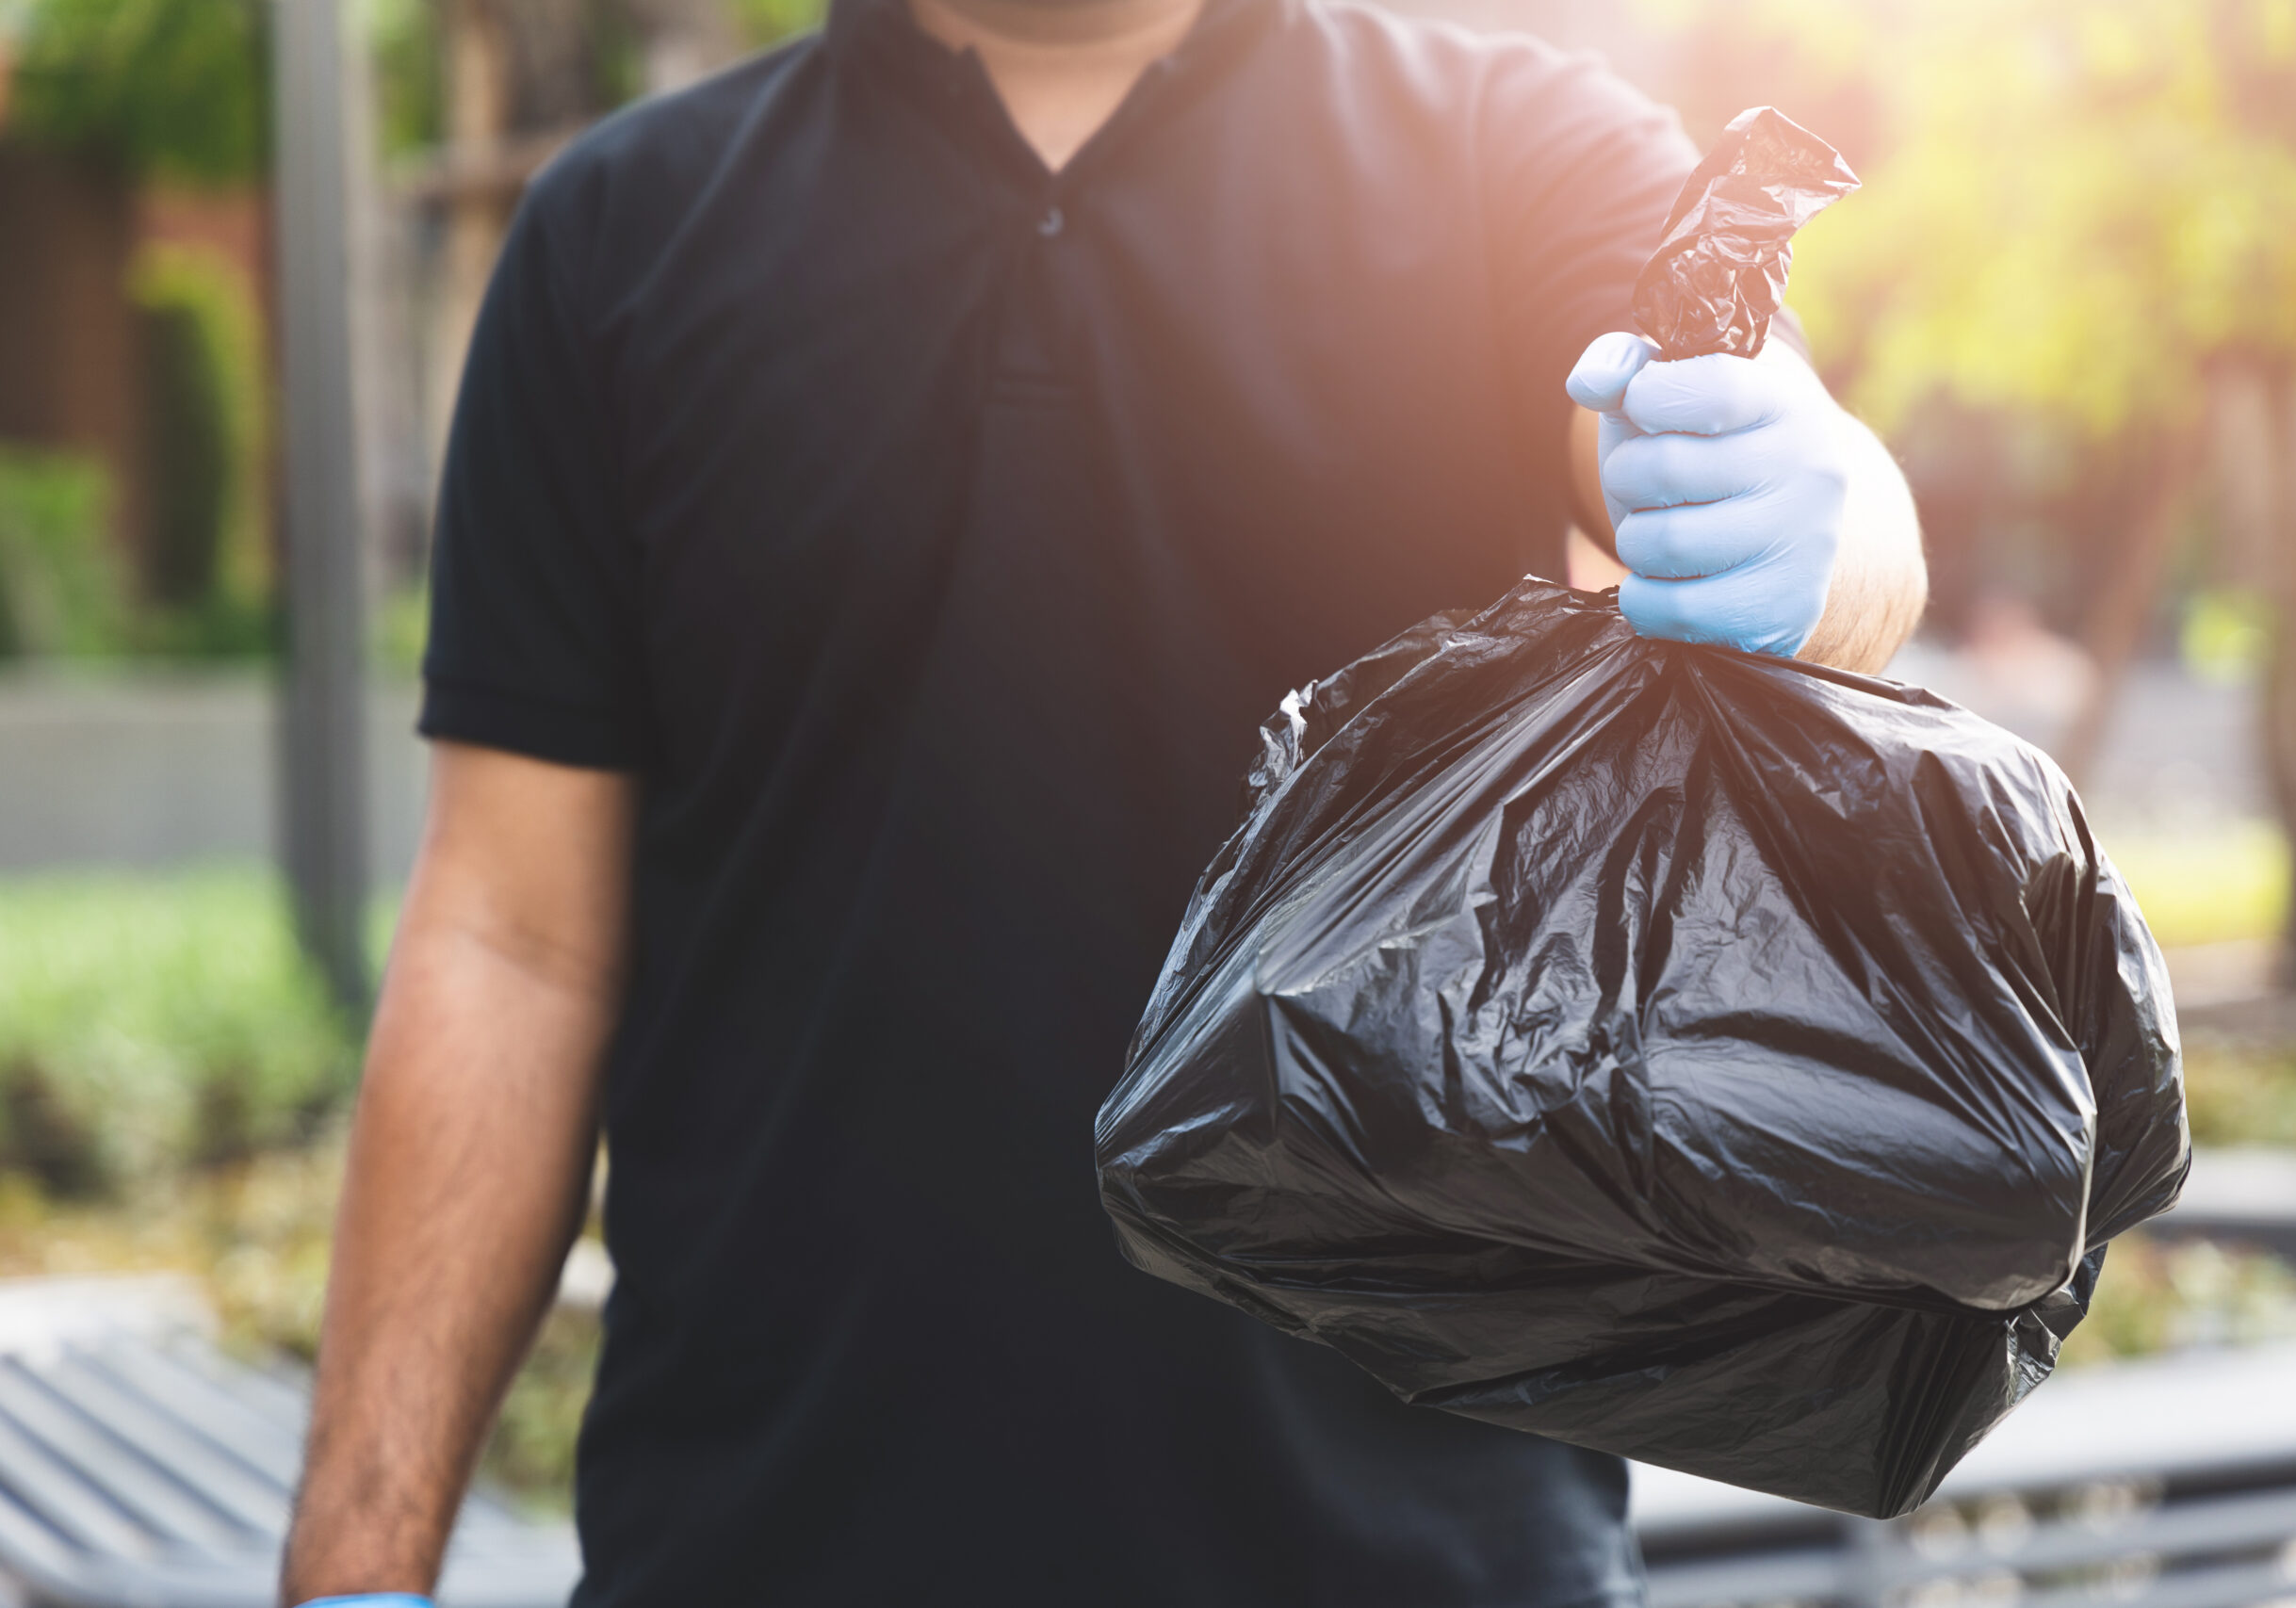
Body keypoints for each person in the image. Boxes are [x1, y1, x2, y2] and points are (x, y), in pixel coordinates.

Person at [279, 0, 1925, 1601]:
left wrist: (1808, 515)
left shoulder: (1511, 145)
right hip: (760, 1547)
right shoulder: (613, 236)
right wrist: (358, 1569)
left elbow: (1836, 494)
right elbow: (508, 943)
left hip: (1422, 1551)